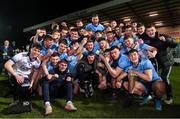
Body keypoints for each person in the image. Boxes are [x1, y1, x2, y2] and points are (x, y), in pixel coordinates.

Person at [3, 43, 42, 114]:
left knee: (27, 89)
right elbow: (6, 65)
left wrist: (32, 83)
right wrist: (16, 75)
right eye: (35, 50)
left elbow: (35, 72)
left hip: (25, 77)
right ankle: (18, 101)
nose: (36, 52)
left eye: (38, 51)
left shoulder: (38, 61)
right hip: (14, 74)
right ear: (30, 49)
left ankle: (16, 99)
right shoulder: (21, 55)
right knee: (21, 83)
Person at [145, 24, 178, 104]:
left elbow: (175, 44)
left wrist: (166, 40)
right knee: (153, 78)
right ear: (146, 32)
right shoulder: (148, 40)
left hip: (167, 62)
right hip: (157, 63)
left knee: (164, 78)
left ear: (155, 30)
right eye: (148, 31)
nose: (150, 32)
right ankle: (156, 95)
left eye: (152, 30)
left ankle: (169, 98)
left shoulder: (163, 36)